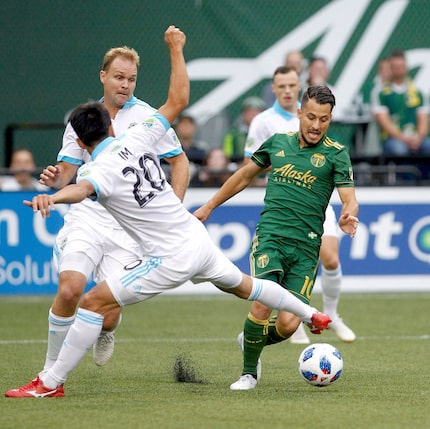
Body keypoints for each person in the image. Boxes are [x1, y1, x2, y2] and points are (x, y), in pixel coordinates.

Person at [5, 26, 331, 398]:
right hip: (196, 240)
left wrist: (53, 198)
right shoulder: (140, 135)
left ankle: (49, 383)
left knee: (94, 301)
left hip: (170, 257)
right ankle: (311, 314)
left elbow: (82, 187)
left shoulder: (98, 170)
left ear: (80, 141)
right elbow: (177, 99)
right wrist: (176, 48)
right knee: (248, 286)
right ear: (112, 125)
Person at [5, 34, 190, 398]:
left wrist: (176, 209)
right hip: (88, 216)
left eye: (131, 79)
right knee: (71, 288)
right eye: (119, 76)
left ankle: (106, 330)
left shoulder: (146, 117)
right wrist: (52, 182)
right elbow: (67, 173)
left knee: (107, 313)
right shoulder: (83, 119)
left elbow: (180, 161)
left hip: (129, 228)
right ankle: (49, 379)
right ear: (103, 75)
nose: (125, 84)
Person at [194, 85, 359, 391]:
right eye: (310, 117)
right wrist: (209, 206)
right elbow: (244, 176)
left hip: (307, 249)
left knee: (288, 324)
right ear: (299, 113)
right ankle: (248, 374)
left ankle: (250, 340)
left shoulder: (336, 154)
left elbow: (349, 198)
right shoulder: (277, 143)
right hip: (270, 238)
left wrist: (349, 214)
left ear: (330, 119)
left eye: (323, 119)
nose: (315, 125)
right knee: (261, 306)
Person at [246, 66, 356, 345]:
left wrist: (348, 212)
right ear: (273, 88)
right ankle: (292, 317)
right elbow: (251, 166)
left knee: (330, 258)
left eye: (291, 85)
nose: (286, 90)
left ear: (298, 87)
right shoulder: (264, 122)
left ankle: (331, 314)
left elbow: (349, 194)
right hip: (285, 205)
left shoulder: (315, 113)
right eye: (281, 85)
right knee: (278, 272)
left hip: (318, 205)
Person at [372, 49, 430, 156]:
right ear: (390, 68)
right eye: (396, 67)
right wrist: (404, 139)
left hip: (416, 138)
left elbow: (423, 120)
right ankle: (407, 173)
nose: (399, 70)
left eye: (402, 66)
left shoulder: (418, 92)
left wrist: (418, 138)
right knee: (399, 150)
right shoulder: (381, 92)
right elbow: (384, 122)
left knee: (428, 146)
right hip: (392, 139)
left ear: (406, 67)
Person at [223, 96, 266, 164]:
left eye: (256, 112)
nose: (252, 115)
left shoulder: (269, 133)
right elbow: (227, 155)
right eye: (249, 112)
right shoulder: (233, 134)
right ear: (243, 114)